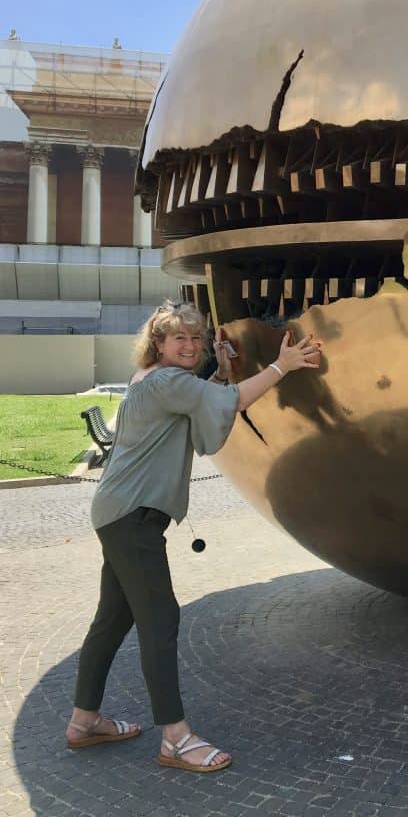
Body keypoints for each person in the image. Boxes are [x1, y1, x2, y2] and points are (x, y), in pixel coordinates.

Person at [64, 300, 322, 772]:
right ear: (157, 344)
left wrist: (221, 372)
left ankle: (84, 721)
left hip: (118, 512)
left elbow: (202, 405)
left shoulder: (153, 381)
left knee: (113, 620)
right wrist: (282, 366)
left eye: (195, 338)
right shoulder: (168, 381)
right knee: (160, 622)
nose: (189, 345)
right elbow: (234, 403)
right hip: (133, 518)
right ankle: (176, 740)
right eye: (178, 337)